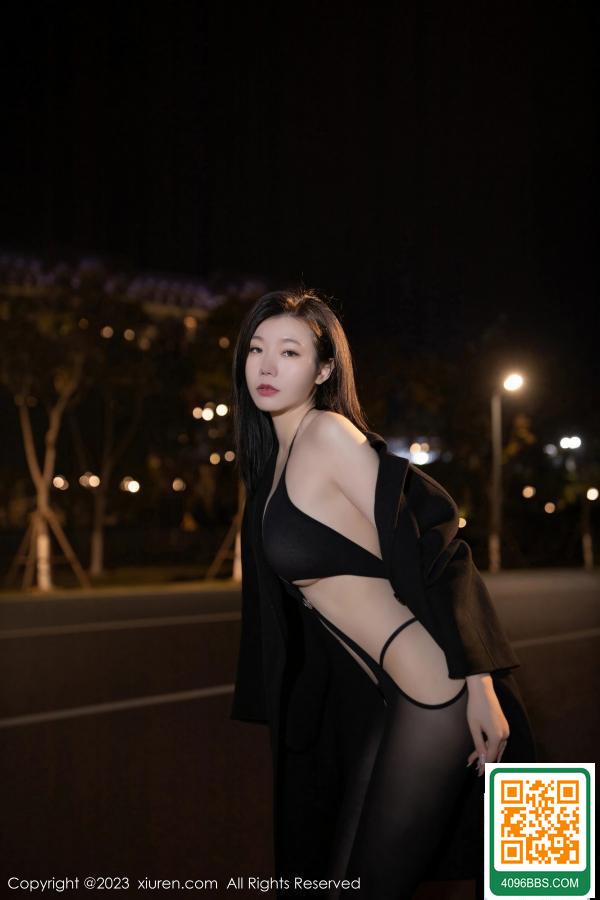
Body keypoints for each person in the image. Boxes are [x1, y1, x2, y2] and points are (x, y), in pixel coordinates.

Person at [230, 289, 536, 899]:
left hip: (435, 693)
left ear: (324, 370)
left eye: (289, 352)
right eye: (257, 349)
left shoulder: (326, 436)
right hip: (390, 698)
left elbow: (434, 537)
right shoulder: (274, 460)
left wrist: (481, 683)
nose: (266, 365)